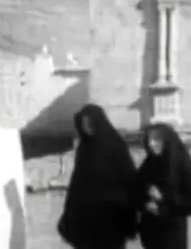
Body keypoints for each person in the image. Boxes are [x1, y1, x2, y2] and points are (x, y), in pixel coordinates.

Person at [57, 104, 138, 249]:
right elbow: (78, 180)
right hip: (87, 216)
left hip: (111, 215)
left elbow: (128, 177)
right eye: (83, 123)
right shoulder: (84, 147)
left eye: (89, 123)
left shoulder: (115, 144)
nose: (86, 127)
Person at [134, 123, 191, 249]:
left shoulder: (182, 166)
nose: (151, 144)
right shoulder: (148, 165)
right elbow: (136, 192)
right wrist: (145, 204)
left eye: (156, 140)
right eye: (149, 140)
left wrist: (164, 198)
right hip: (151, 235)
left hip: (172, 235)